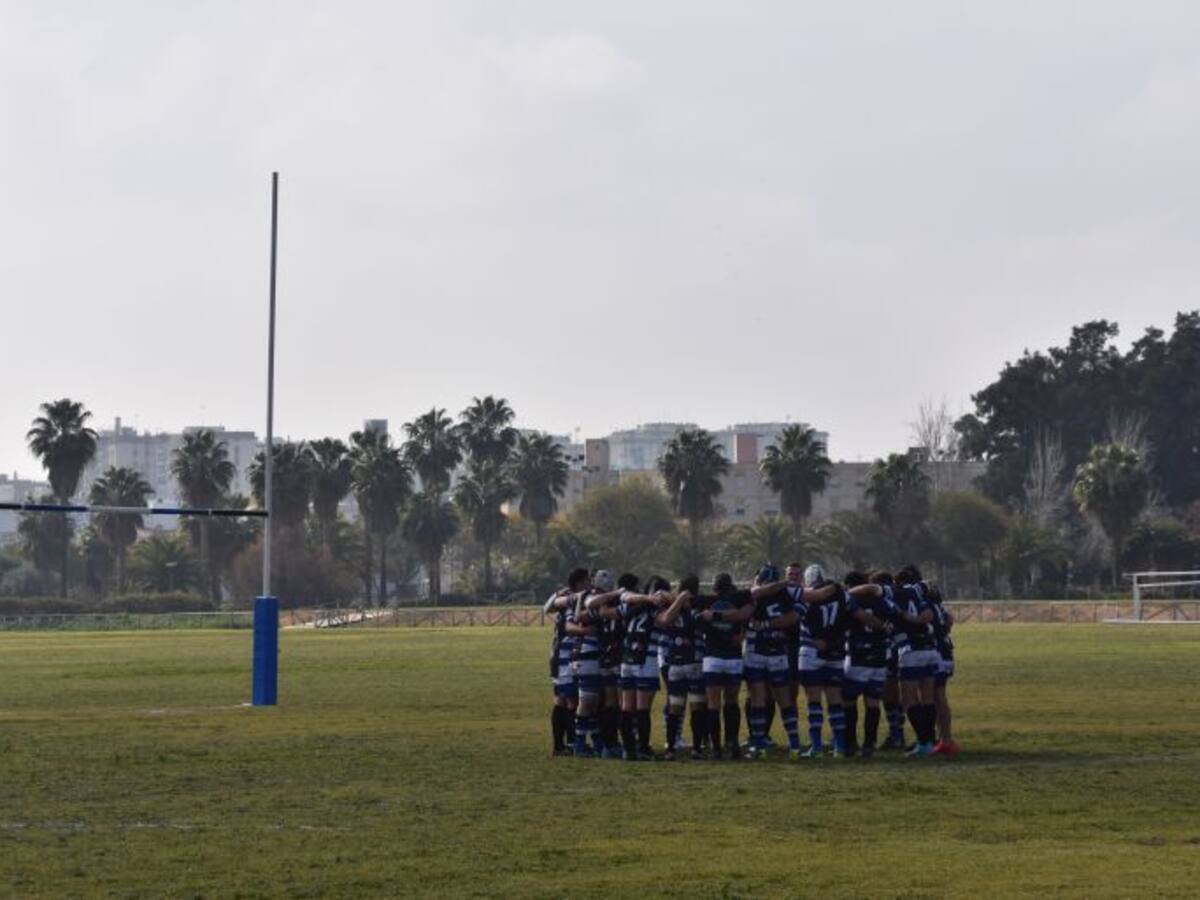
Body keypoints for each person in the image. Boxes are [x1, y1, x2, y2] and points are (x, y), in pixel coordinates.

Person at [588, 574, 671, 761]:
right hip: (645, 659)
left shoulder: (631, 605)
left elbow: (607, 611)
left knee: (627, 708)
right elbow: (666, 620)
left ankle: (628, 750)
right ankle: (643, 749)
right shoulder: (654, 608)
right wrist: (678, 600)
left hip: (626, 660)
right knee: (642, 709)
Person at [743, 564, 801, 758]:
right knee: (785, 701)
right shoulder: (784, 594)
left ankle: (759, 746)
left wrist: (763, 624)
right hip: (778, 652)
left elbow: (750, 600)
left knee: (758, 700)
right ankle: (794, 745)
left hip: (756, 651)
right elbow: (793, 617)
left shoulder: (754, 594)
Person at [795, 564, 851, 758]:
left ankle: (817, 747)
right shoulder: (842, 595)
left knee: (813, 700)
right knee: (835, 700)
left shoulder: (806, 596)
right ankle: (839, 747)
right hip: (835, 652)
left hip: (811, 651)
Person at [843, 570, 899, 757]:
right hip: (879, 655)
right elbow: (894, 613)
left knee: (849, 700)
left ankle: (850, 744)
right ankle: (869, 744)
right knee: (873, 701)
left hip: (857, 654)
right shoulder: (882, 601)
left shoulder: (850, 600)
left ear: (849, 585)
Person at [884, 568, 940, 756]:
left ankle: (923, 744)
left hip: (910, 649)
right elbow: (929, 616)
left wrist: (907, 618)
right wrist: (918, 620)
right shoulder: (919, 593)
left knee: (908, 700)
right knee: (928, 698)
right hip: (929, 648)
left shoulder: (893, 594)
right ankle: (930, 741)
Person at [566, 569, 621, 757]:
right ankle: (579, 744)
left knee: (596, 701)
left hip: (593, 654)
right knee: (587, 700)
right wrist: (606, 606)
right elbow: (580, 617)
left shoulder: (595, 596)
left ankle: (597, 742)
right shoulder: (591, 596)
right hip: (586, 653)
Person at [904, 567, 959, 757]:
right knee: (937, 696)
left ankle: (935, 739)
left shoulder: (919, 600)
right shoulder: (934, 599)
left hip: (934, 650)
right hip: (945, 649)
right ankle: (942, 739)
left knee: (930, 696)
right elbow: (949, 619)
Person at [655, 575, 707, 760]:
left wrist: (677, 599)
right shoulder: (699, 605)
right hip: (694, 661)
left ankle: (671, 749)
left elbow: (664, 620)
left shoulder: (669, 606)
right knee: (696, 706)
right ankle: (696, 749)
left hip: (675, 662)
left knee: (675, 707)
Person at [543, 567, 589, 756]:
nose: (589, 584)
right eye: (587, 580)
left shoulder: (568, 598)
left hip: (559, 654)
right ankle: (569, 744)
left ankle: (560, 746)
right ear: (579, 583)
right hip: (563, 654)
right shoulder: (571, 598)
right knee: (569, 700)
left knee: (562, 700)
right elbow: (546, 608)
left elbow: (547, 607)